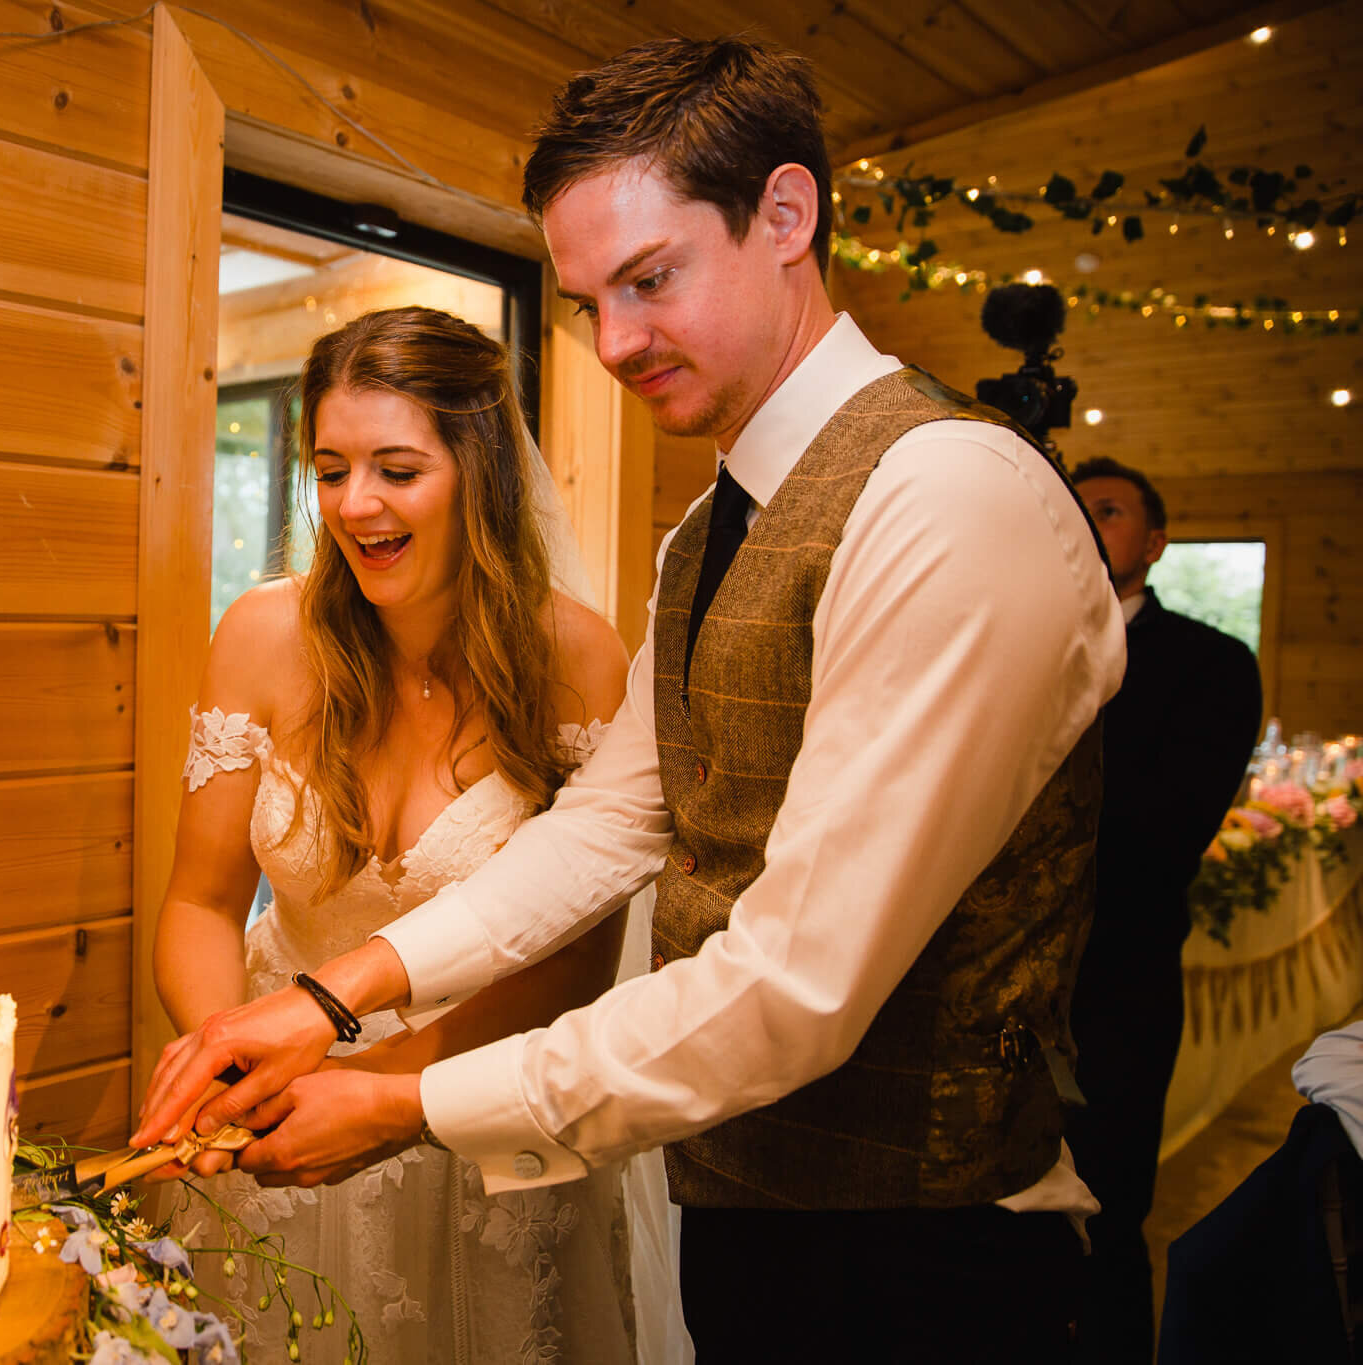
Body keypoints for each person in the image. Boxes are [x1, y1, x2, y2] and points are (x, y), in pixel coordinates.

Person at [136, 36, 1127, 1364]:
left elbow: (797, 983)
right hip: (744, 1198)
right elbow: (609, 827)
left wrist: (410, 1101)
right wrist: (327, 1000)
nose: (612, 342)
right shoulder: (709, 530)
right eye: (588, 298)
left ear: (785, 215)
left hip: (928, 1244)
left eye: (650, 281)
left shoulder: (946, 497)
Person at [153, 306, 652, 1362]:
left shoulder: (578, 658)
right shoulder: (260, 637)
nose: (355, 506)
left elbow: (574, 961)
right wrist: (228, 1062)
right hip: (273, 1127)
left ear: (481, 473)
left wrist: (384, 1094)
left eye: (395, 469)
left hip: (476, 1120)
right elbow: (199, 901)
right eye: (330, 471)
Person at [1068, 457, 1262, 1362]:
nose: (1085, 519)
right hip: (982, 996)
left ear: (1154, 542)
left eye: (1106, 510)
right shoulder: (1012, 643)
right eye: (1071, 507)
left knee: (1106, 1218)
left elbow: (1162, 832)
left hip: (1119, 982)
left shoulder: (1212, 665)